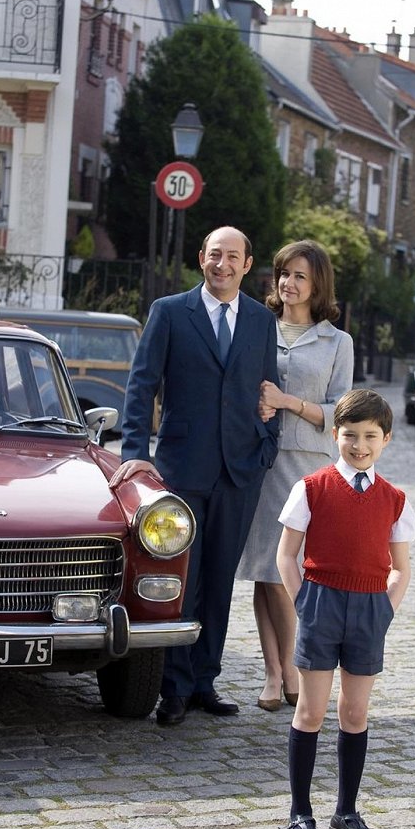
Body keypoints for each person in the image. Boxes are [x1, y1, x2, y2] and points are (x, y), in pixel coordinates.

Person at [110, 226, 279, 726]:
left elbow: (269, 388)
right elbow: (141, 386)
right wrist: (138, 454)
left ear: (247, 265)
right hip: (183, 467)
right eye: (214, 255)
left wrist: (267, 447)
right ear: (200, 259)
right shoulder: (168, 312)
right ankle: (175, 689)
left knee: (220, 578)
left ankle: (206, 680)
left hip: (241, 470)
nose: (222, 264)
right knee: (182, 580)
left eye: (232, 257)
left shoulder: (259, 320)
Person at [276, 388, 415, 829]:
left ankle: (347, 812)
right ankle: (300, 813)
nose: (360, 445)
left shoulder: (395, 499)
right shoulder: (311, 488)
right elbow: (286, 556)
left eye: (370, 436)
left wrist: (383, 611)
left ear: (386, 439)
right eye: (350, 435)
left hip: (369, 610)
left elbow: (401, 567)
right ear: (335, 434)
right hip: (321, 604)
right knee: (311, 711)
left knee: (354, 712)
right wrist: (304, 605)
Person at [236, 240, 354, 712]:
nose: (289, 283)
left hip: (307, 467)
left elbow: (341, 412)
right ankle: (274, 671)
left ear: (317, 284)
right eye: (283, 273)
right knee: (265, 571)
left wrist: (288, 402)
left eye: (300, 276)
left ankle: (294, 668)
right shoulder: (258, 327)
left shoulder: (336, 342)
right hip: (258, 461)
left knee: (291, 572)